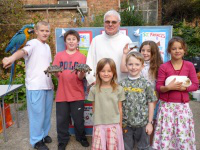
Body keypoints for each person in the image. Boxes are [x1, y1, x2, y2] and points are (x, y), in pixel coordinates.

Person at [2, 21, 54, 150]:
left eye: (47, 31)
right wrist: (11, 58)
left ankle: (44, 135)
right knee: (37, 114)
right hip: (35, 86)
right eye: (42, 30)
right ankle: (36, 141)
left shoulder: (47, 47)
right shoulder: (32, 43)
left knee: (46, 114)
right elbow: (23, 52)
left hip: (48, 85)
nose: (45, 33)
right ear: (36, 31)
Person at [152, 37, 199, 150]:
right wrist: (168, 87)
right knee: (166, 134)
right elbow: (158, 87)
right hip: (166, 107)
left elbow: (195, 85)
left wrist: (185, 88)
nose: (177, 51)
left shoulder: (189, 66)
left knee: (182, 135)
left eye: (180, 48)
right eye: (174, 48)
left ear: (184, 50)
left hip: (182, 107)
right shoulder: (164, 67)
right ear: (169, 51)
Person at [52, 29, 89, 150]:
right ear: (65, 41)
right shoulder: (59, 55)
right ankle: (62, 139)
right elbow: (56, 74)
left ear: (78, 42)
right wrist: (55, 72)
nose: (71, 41)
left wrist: (82, 73)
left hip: (77, 93)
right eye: (69, 39)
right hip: (62, 93)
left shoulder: (81, 57)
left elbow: (80, 77)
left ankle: (81, 137)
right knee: (62, 119)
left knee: (78, 119)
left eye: (74, 39)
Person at [120, 51, 157, 150]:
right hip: (126, 124)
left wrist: (150, 123)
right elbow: (118, 105)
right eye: (130, 64)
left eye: (137, 64)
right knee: (127, 147)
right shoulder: (121, 84)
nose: (133, 67)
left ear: (142, 66)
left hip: (143, 124)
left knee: (144, 147)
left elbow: (151, 104)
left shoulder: (146, 84)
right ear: (126, 65)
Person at [86, 9, 132, 85]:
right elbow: (89, 63)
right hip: (100, 86)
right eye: (107, 22)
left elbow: (133, 63)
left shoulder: (126, 40)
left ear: (119, 24)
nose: (110, 24)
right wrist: (92, 81)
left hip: (121, 86)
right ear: (104, 23)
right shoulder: (96, 40)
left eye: (114, 22)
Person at [88, 58, 125, 150]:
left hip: (114, 125)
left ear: (114, 73)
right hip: (99, 125)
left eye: (109, 71)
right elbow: (94, 108)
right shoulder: (93, 89)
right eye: (103, 71)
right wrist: (96, 123)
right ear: (98, 72)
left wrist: (120, 126)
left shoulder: (119, 89)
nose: (106, 74)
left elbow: (120, 109)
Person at [139, 41, 163, 145]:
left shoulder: (159, 67)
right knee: (142, 123)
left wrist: (154, 101)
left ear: (154, 52)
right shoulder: (137, 64)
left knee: (151, 122)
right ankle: (142, 144)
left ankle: (151, 144)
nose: (145, 53)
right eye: (143, 50)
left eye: (148, 51)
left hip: (153, 100)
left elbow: (158, 87)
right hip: (140, 99)